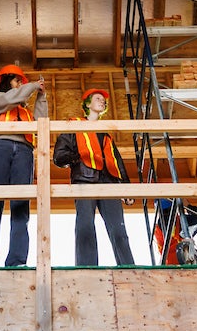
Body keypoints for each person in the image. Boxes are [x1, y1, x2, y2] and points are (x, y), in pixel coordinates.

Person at [52, 88, 135, 266]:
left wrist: (126, 187)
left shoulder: (106, 134)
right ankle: (86, 267)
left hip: (109, 182)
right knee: (85, 226)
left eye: (104, 100)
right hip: (85, 180)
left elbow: (117, 162)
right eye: (98, 98)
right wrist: (78, 157)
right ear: (87, 104)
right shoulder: (73, 126)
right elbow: (59, 157)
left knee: (118, 229)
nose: (102, 101)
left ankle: (128, 267)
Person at [0, 65, 47, 267]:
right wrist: (33, 85)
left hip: (24, 151)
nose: (21, 86)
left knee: (20, 206)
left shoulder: (24, 112)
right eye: (18, 81)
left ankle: (17, 260)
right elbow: (11, 98)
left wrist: (41, 96)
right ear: (7, 81)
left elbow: (42, 121)